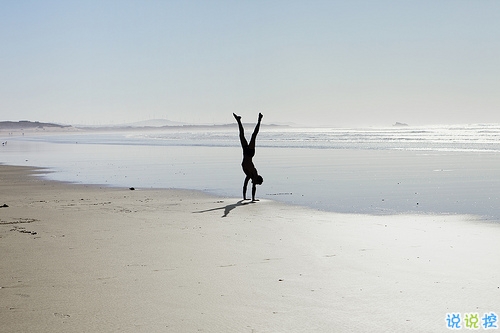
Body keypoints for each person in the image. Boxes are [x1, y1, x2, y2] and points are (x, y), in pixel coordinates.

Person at [233, 112, 264, 201]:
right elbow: (253, 187)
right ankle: (259, 120)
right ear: (257, 179)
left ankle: (238, 120)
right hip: (249, 153)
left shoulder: (248, 175)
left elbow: (245, 185)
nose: (254, 183)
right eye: (256, 182)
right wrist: (253, 199)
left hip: (245, 153)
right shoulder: (254, 173)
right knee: (254, 136)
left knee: (241, 135)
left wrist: (244, 198)